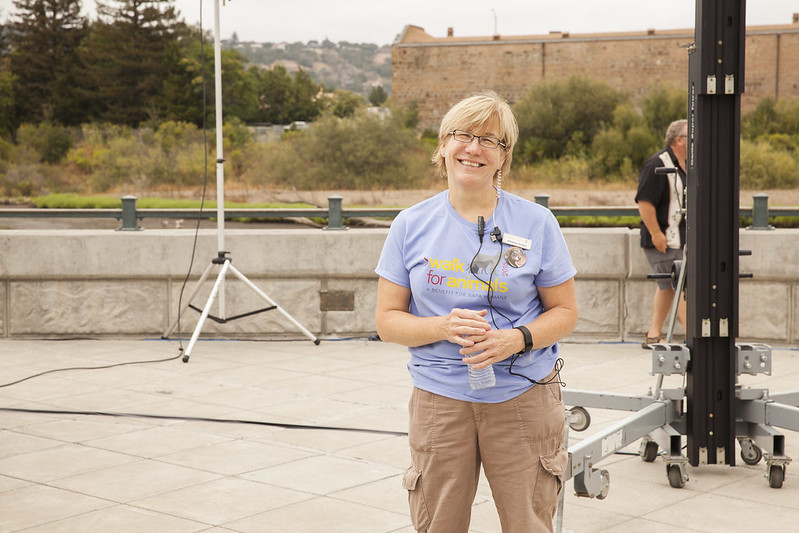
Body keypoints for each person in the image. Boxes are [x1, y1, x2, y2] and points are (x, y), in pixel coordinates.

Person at [374, 91, 579, 533]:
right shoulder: (410, 224)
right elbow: (387, 321)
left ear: (504, 157)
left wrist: (516, 338)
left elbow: (564, 312)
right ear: (443, 146)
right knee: (439, 524)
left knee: (529, 523)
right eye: (463, 135)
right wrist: (441, 326)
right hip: (440, 400)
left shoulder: (537, 222)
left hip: (522, 398)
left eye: (491, 140)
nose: (474, 148)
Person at [636, 119, 688, 348]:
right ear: (679, 140)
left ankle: (653, 334)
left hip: (678, 238)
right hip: (663, 239)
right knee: (683, 285)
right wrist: (656, 234)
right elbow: (644, 202)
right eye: (691, 137)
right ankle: (692, 336)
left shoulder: (685, 163)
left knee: (668, 285)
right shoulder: (657, 164)